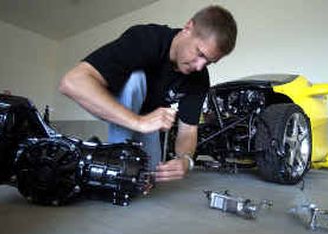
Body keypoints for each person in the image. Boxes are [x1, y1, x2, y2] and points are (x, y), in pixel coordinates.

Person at [59, 5, 237, 182]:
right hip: (117, 105)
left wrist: (185, 160)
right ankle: (117, 158)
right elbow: (72, 82)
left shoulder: (199, 78)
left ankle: (100, 149)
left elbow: (188, 129)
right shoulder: (145, 39)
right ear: (188, 28)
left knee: (150, 175)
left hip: (146, 115)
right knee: (135, 78)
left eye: (208, 62)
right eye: (199, 53)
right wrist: (138, 122)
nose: (199, 66)